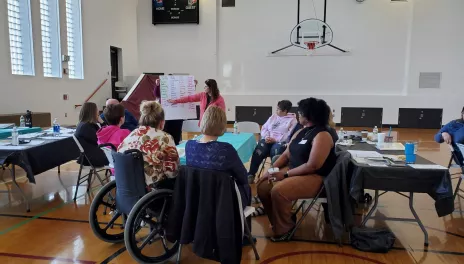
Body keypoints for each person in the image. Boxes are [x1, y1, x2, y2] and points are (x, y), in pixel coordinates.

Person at [256, 97, 337, 242]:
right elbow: (286, 154)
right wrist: (272, 169)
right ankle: (281, 220)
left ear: (310, 116)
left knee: (278, 191)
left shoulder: (323, 135)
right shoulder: (301, 131)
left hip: (315, 177)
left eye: (301, 112)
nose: (298, 114)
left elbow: (313, 165)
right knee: (262, 185)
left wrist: (285, 174)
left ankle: (285, 229)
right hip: (294, 171)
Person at [185, 106, 251, 209]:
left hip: (197, 199)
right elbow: (242, 175)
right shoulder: (225, 150)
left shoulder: (189, 145)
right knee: (245, 186)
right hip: (222, 202)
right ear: (222, 125)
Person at [118, 101, 180, 186]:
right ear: (162, 122)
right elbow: (173, 173)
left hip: (127, 187)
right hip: (153, 190)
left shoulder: (130, 135)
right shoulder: (165, 137)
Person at [247, 100, 297, 183]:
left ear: (285, 111)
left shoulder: (292, 121)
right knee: (259, 150)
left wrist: (276, 140)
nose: (276, 111)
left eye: (278, 109)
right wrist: (266, 137)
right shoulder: (273, 117)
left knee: (276, 151)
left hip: (280, 142)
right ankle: (251, 174)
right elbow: (264, 128)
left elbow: (289, 135)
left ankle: (272, 176)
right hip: (268, 139)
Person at [75, 102, 108, 167]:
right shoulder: (86, 127)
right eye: (97, 110)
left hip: (91, 155)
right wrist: (102, 122)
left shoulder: (84, 124)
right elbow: (102, 140)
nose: (98, 112)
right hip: (94, 158)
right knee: (119, 157)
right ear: (92, 112)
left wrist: (102, 122)